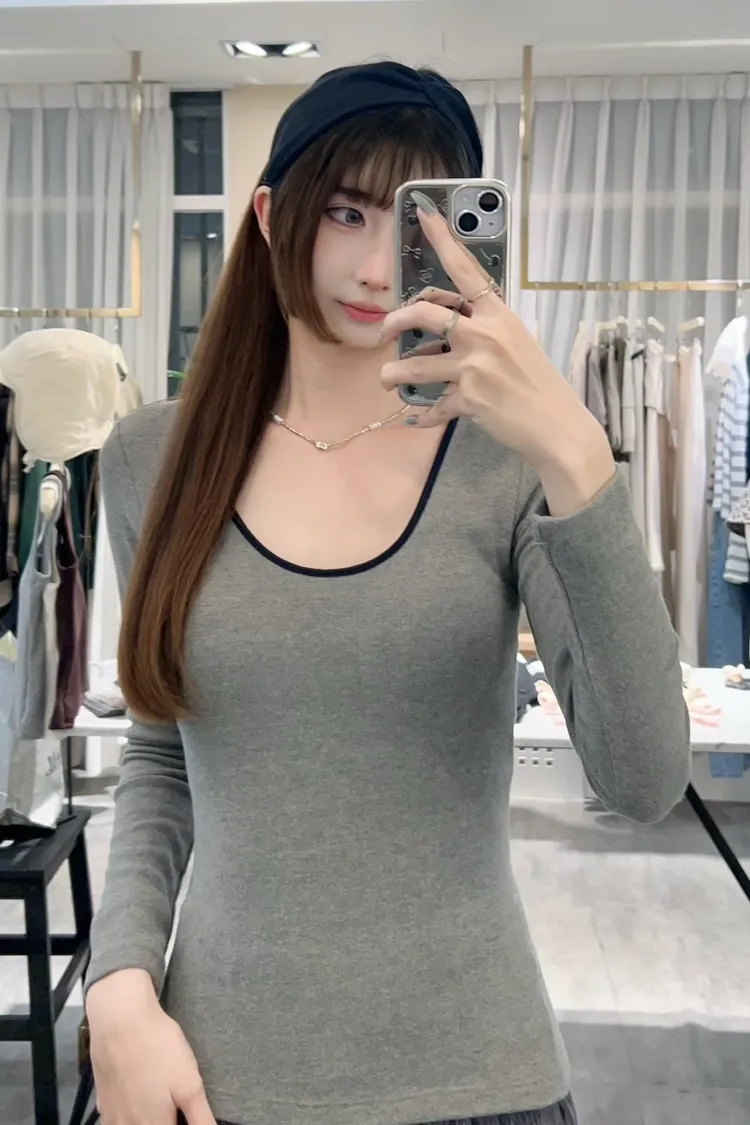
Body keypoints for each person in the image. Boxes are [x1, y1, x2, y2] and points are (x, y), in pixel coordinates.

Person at [84, 61, 691, 1125]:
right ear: (270, 218)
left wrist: (577, 453)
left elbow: (642, 778)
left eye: (413, 223)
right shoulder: (152, 459)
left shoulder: (506, 463)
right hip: (218, 1077)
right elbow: (163, 752)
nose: (376, 267)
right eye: (345, 211)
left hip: (481, 1077)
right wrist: (118, 982)